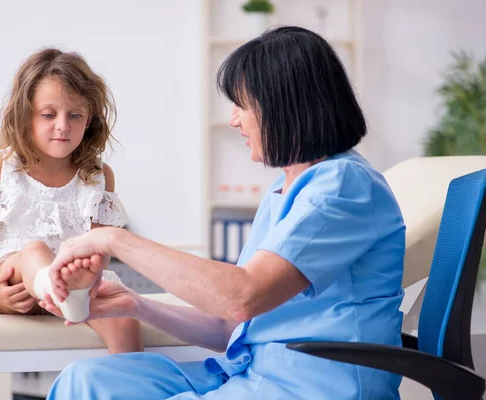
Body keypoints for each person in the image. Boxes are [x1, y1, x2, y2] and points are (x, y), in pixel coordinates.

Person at [41, 26, 406, 399]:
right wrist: (135, 305)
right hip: (250, 373)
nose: (234, 120)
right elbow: (229, 325)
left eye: (242, 105)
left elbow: (241, 296)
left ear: (285, 106)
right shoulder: (287, 188)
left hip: (309, 387)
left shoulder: (343, 187)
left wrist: (112, 238)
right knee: (87, 380)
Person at [0, 48, 142, 354]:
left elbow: (99, 248)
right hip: (15, 289)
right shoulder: (3, 170)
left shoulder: (98, 175)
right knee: (34, 251)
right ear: (25, 115)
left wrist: (90, 271)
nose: (62, 125)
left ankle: (130, 384)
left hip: (75, 286)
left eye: (75, 115)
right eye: (48, 114)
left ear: (90, 119)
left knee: (125, 317)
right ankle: (59, 291)